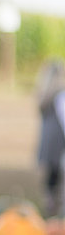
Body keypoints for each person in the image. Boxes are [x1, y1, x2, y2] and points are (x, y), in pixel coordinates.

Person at [35, 58, 65, 217]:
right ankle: (56, 217)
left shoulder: (43, 95)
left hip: (48, 145)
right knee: (56, 181)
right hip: (58, 145)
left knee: (51, 181)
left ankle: (51, 213)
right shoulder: (60, 95)